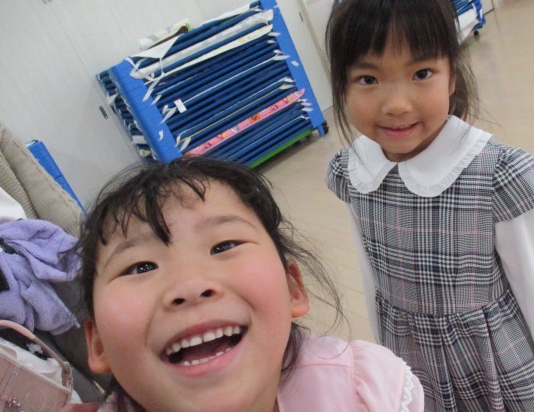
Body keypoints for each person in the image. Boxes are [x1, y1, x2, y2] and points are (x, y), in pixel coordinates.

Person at [325, 0, 534, 412]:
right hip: (411, 361)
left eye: (422, 72)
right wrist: (386, 364)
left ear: (452, 75)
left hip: (492, 367)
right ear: (342, 87)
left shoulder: (494, 174)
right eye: (368, 79)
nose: (396, 104)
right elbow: (374, 281)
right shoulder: (354, 172)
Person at [63, 156, 424, 412]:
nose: (189, 285)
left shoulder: (365, 391)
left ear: (292, 288)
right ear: (97, 343)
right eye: (140, 266)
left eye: (223, 246)